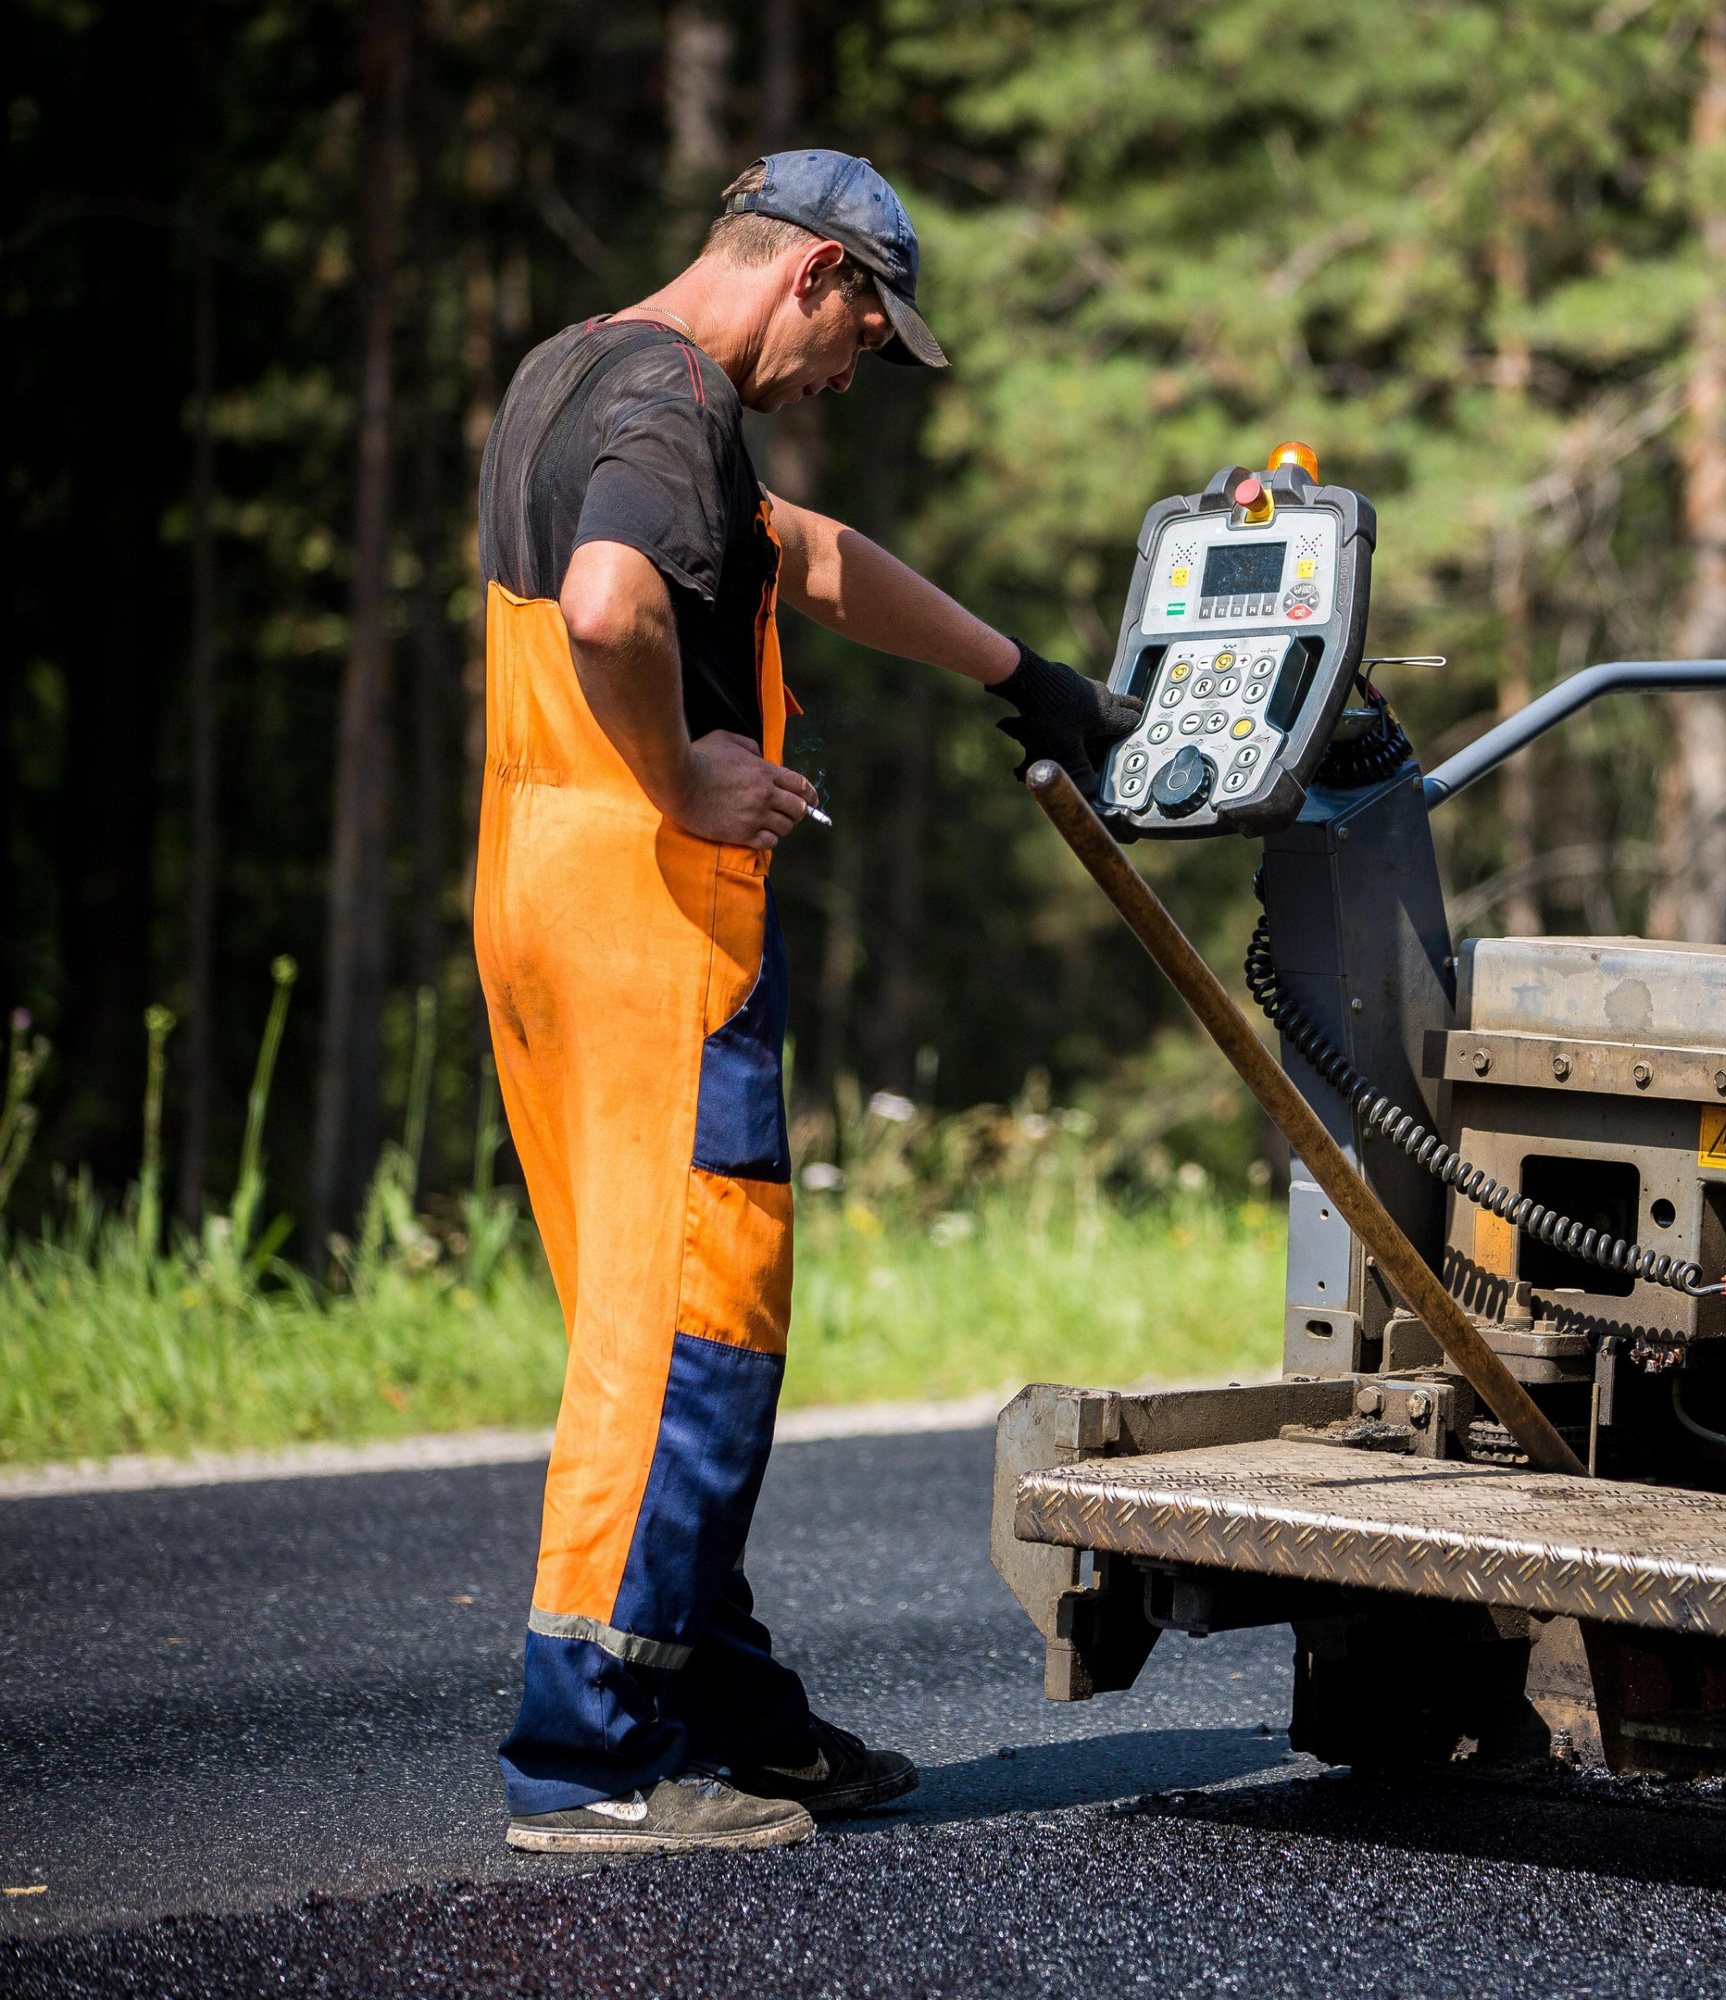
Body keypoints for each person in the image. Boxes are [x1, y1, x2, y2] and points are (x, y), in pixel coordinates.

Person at [474, 150, 1136, 1855]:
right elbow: (620, 606)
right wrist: (687, 774)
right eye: (866, 332)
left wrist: (1031, 680)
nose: (855, 368)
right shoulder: (672, 406)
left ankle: (726, 1707)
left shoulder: (579, 367)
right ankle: (591, 1755)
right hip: (651, 915)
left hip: (537, 894)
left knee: (642, 1323)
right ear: (815, 276)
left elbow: (801, 560)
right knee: (692, 1343)